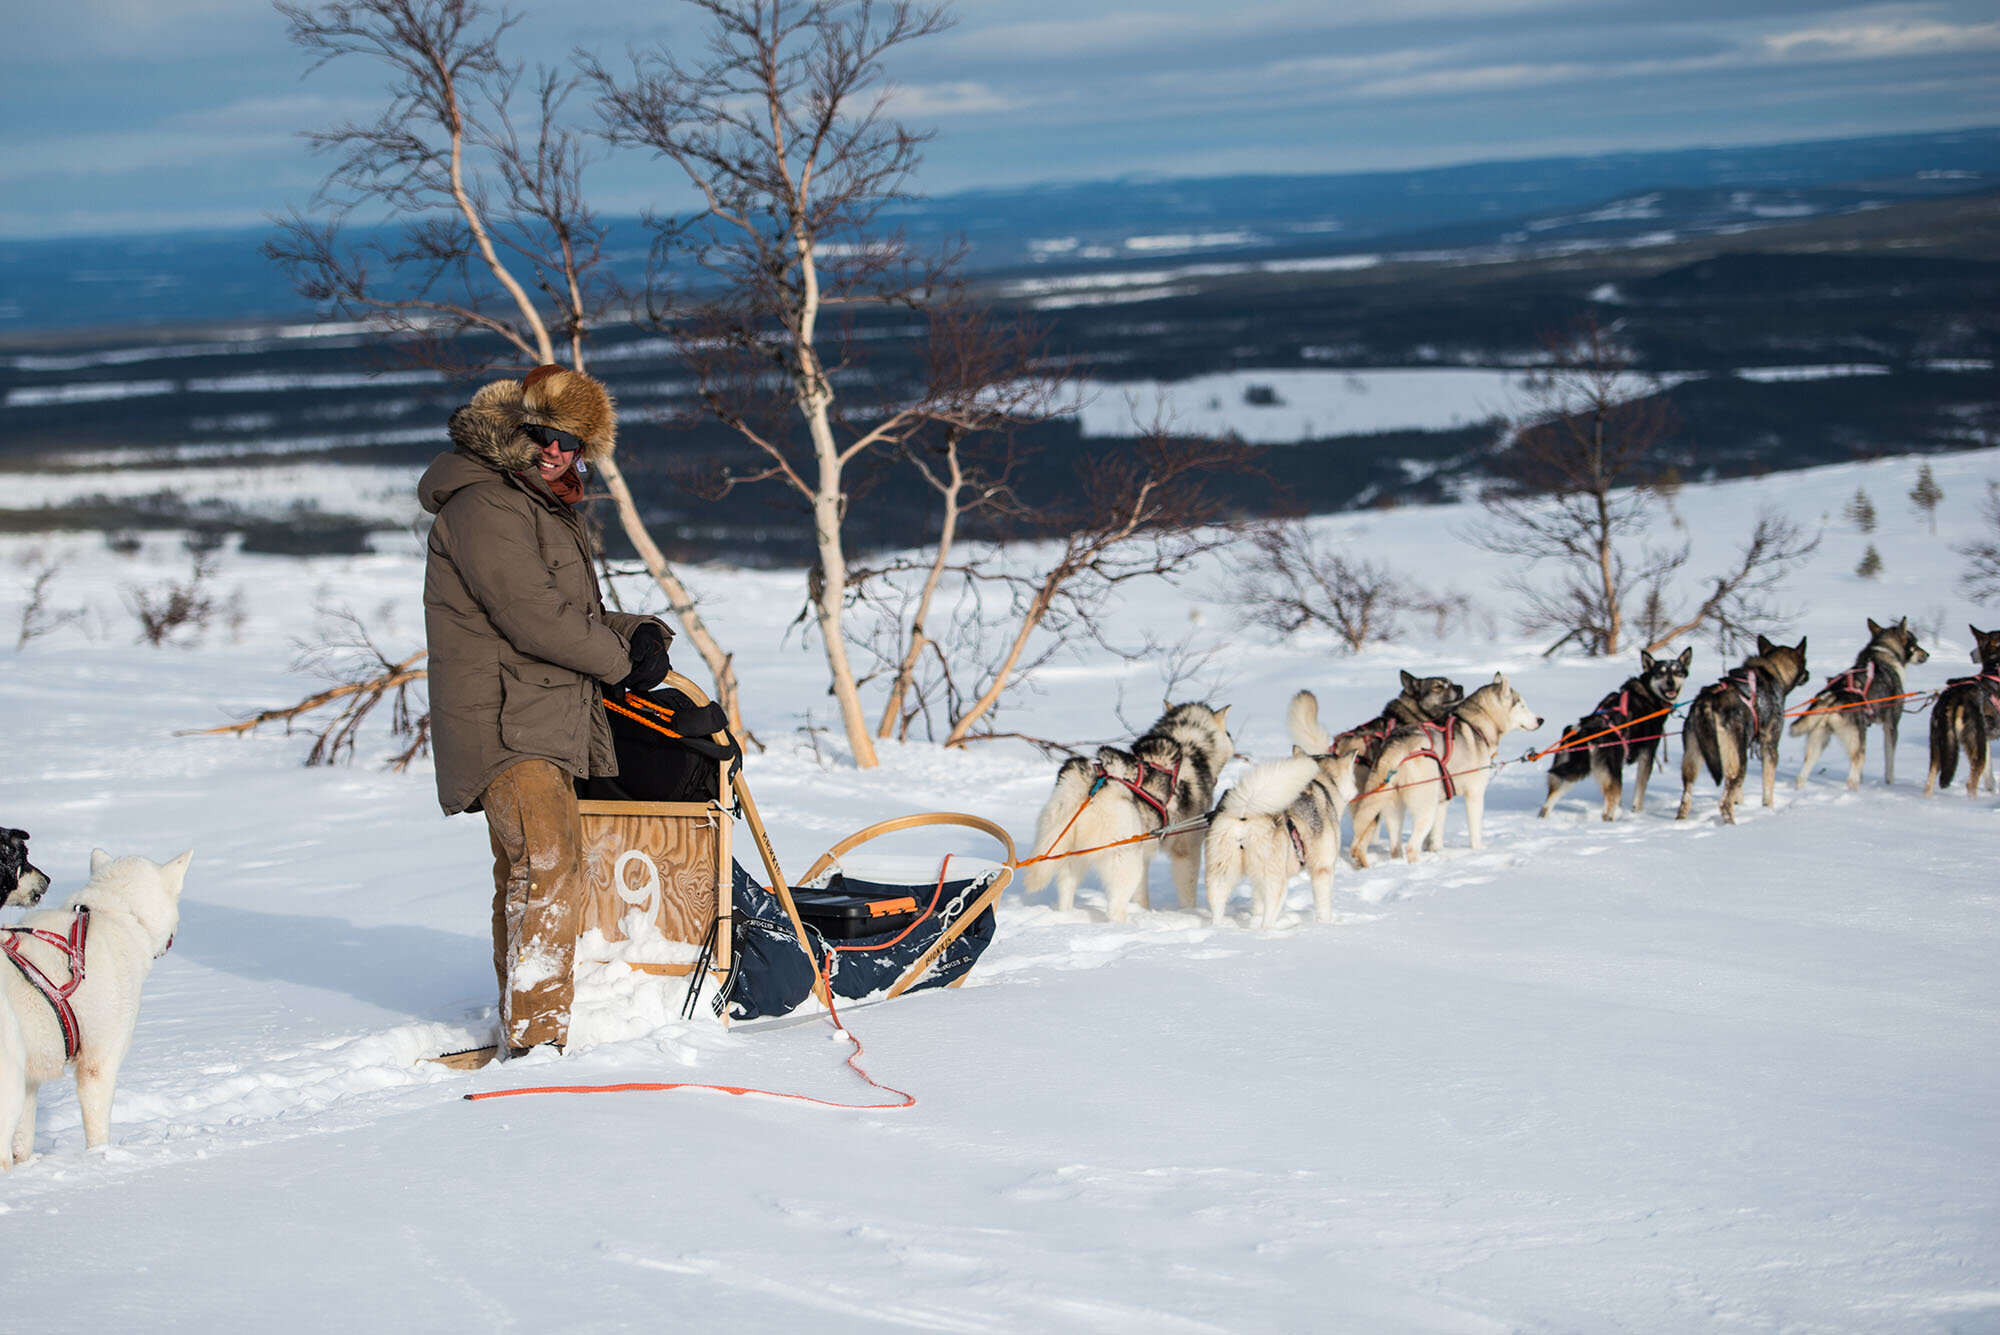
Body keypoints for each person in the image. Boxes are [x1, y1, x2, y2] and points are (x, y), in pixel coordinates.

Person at [418, 364, 673, 1054]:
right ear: (516, 429)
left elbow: (565, 611)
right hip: (508, 723)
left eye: (570, 441)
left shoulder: (528, 502)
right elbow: (533, 617)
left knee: (529, 874)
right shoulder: (487, 504)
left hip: (532, 716)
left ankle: (523, 1026)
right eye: (542, 434)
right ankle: (536, 1044)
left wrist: (636, 632)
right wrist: (620, 663)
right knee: (549, 870)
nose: (555, 450)